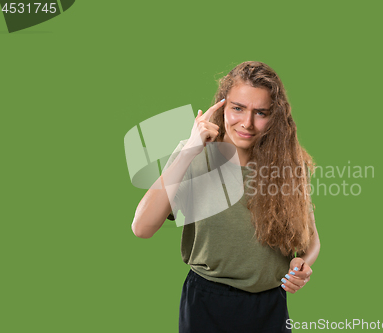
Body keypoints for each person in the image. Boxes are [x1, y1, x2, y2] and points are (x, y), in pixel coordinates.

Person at [131, 61, 320, 333]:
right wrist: (188, 151)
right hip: (206, 304)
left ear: (275, 116)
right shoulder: (194, 157)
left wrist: (303, 264)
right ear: (221, 106)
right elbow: (141, 227)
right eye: (238, 108)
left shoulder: (290, 164)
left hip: (270, 307)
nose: (247, 123)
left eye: (261, 112)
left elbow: (311, 238)